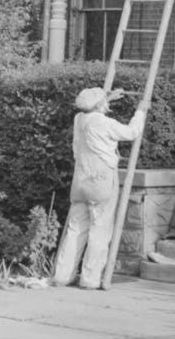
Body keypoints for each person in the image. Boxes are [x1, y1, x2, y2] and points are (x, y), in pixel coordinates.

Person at [53, 85, 146, 290]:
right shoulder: (104, 123)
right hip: (102, 180)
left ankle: (62, 275)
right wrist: (140, 112)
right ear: (100, 104)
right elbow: (131, 132)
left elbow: (93, 108)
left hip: (81, 180)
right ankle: (90, 279)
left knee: (76, 228)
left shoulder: (79, 120)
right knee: (100, 229)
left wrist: (109, 97)